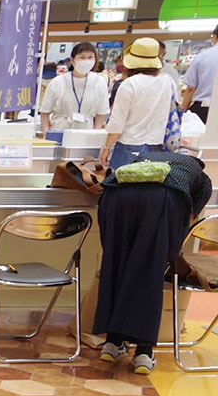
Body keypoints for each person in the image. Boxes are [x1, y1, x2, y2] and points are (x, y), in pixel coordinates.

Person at [93, 150, 212, 374]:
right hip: (161, 201)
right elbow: (188, 218)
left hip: (115, 197)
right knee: (149, 273)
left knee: (116, 267)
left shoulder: (143, 158)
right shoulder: (201, 179)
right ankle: (144, 354)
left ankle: (112, 343)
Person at [99, 37, 178, 170]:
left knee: (122, 182)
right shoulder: (168, 80)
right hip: (156, 145)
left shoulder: (130, 84)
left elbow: (117, 123)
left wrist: (106, 147)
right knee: (149, 183)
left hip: (129, 145)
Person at [39, 42, 110, 134]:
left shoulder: (99, 82)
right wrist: (46, 134)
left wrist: (95, 133)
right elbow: (45, 111)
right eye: (82, 57)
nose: (86, 61)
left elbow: (101, 112)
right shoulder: (58, 82)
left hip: (86, 132)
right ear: (72, 60)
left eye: (90, 57)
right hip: (60, 130)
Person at [180, 25, 218, 123]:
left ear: (215, 36)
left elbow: (190, 89)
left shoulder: (202, 56)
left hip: (204, 110)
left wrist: (182, 114)